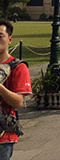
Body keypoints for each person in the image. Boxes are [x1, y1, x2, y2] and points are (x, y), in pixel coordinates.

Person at [0, 19, 32, 159]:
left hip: (3, 136)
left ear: (10, 39)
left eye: (0, 35)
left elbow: (18, 102)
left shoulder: (18, 67)